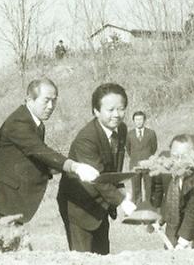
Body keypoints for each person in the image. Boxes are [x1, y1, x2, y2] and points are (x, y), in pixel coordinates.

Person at [0, 78, 100, 234]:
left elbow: (30, 157)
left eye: (54, 101)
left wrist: (55, 167)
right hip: (0, 198)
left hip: (8, 197)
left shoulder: (35, 122)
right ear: (29, 99)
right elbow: (39, 150)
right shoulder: (18, 121)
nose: (51, 106)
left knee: (13, 250)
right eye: (46, 100)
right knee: (7, 251)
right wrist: (74, 166)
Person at [56, 83, 137, 254]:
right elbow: (98, 179)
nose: (116, 114)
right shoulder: (87, 139)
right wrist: (122, 202)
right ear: (96, 111)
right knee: (84, 259)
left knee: (103, 255)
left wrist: (120, 188)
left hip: (102, 203)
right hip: (79, 205)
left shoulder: (120, 129)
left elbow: (114, 166)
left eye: (121, 109)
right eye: (110, 110)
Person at [126, 110, 158, 204]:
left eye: (140, 119)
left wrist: (147, 159)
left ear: (144, 120)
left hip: (148, 165)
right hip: (134, 165)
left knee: (149, 188)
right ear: (133, 121)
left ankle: (148, 207)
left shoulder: (151, 133)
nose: (138, 121)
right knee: (136, 189)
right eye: (136, 119)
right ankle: (138, 209)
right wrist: (135, 158)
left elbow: (154, 148)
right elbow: (128, 149)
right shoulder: (129, 134)